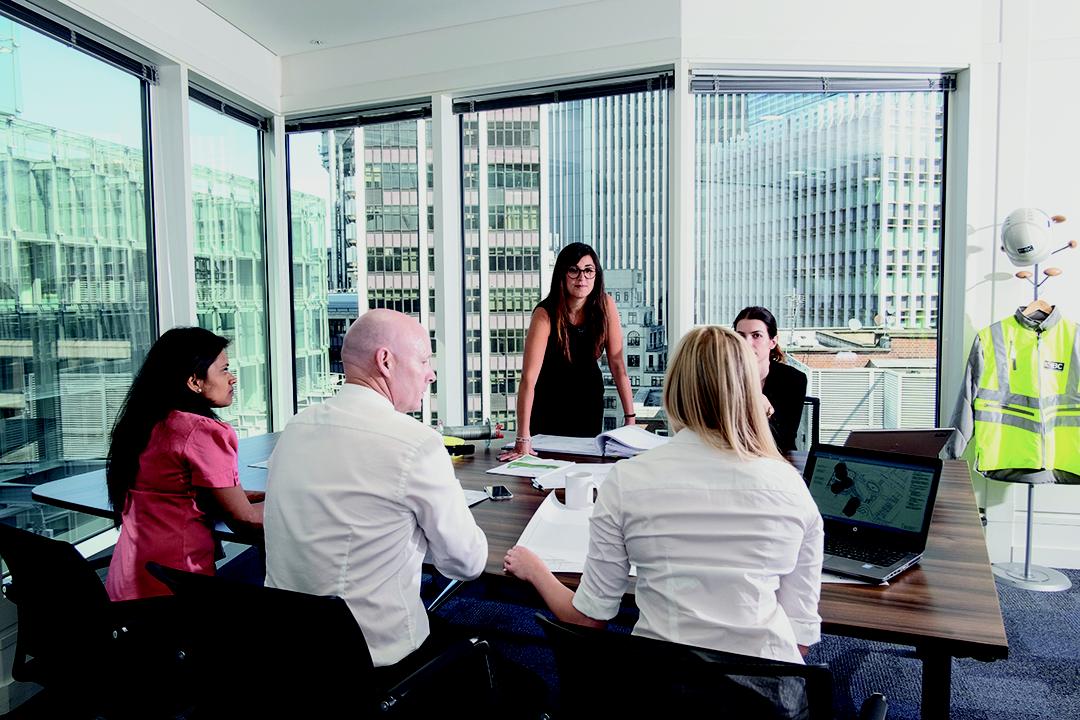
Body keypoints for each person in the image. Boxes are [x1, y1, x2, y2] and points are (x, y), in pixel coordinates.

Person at [503, 326, 823, 664]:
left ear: (675, 389)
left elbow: (587, 619)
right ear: (749, 392)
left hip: (661, 691)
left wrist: (535, 570)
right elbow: (800, 640)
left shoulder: (628, 480)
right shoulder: (791, 487)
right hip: (767, 697)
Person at [264, 309, 487, 678]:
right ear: (385, 361)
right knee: (526, 689)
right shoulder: (415, 444)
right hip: (376, 659)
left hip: (290, 648)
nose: (430, 373)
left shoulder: (296, 428)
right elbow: (465, 564)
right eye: (423, 360)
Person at [105, 327, 263, 601]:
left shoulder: (142, 423)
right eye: (224, 370)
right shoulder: (203, 431)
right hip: (177, 592)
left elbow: (184, 494)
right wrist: (304, 509)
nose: (232, 378)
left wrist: (267, 496)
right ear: (194, 381)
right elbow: (244, 520)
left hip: (126, 589)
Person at [499, 242, 635, 461]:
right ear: (562, 274)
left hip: (588, 403)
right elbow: (528, 379)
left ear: (596, 275)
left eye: (588, 270)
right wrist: (522, 438)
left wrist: (630, 420)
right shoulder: (545, 314)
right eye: (573, 270)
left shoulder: (606, 305)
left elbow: (618, 366)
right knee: (541, 470)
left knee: (584, 468)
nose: (581, 278)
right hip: (549, 405)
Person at [734, 306, 808, 453]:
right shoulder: (724, 377)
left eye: (756, 335)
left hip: (778, 458)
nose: (747, 343)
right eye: (741, 336)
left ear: (772, 342)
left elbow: (784, 438)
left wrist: (766, 410)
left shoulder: (793, 379)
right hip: (734, 458)